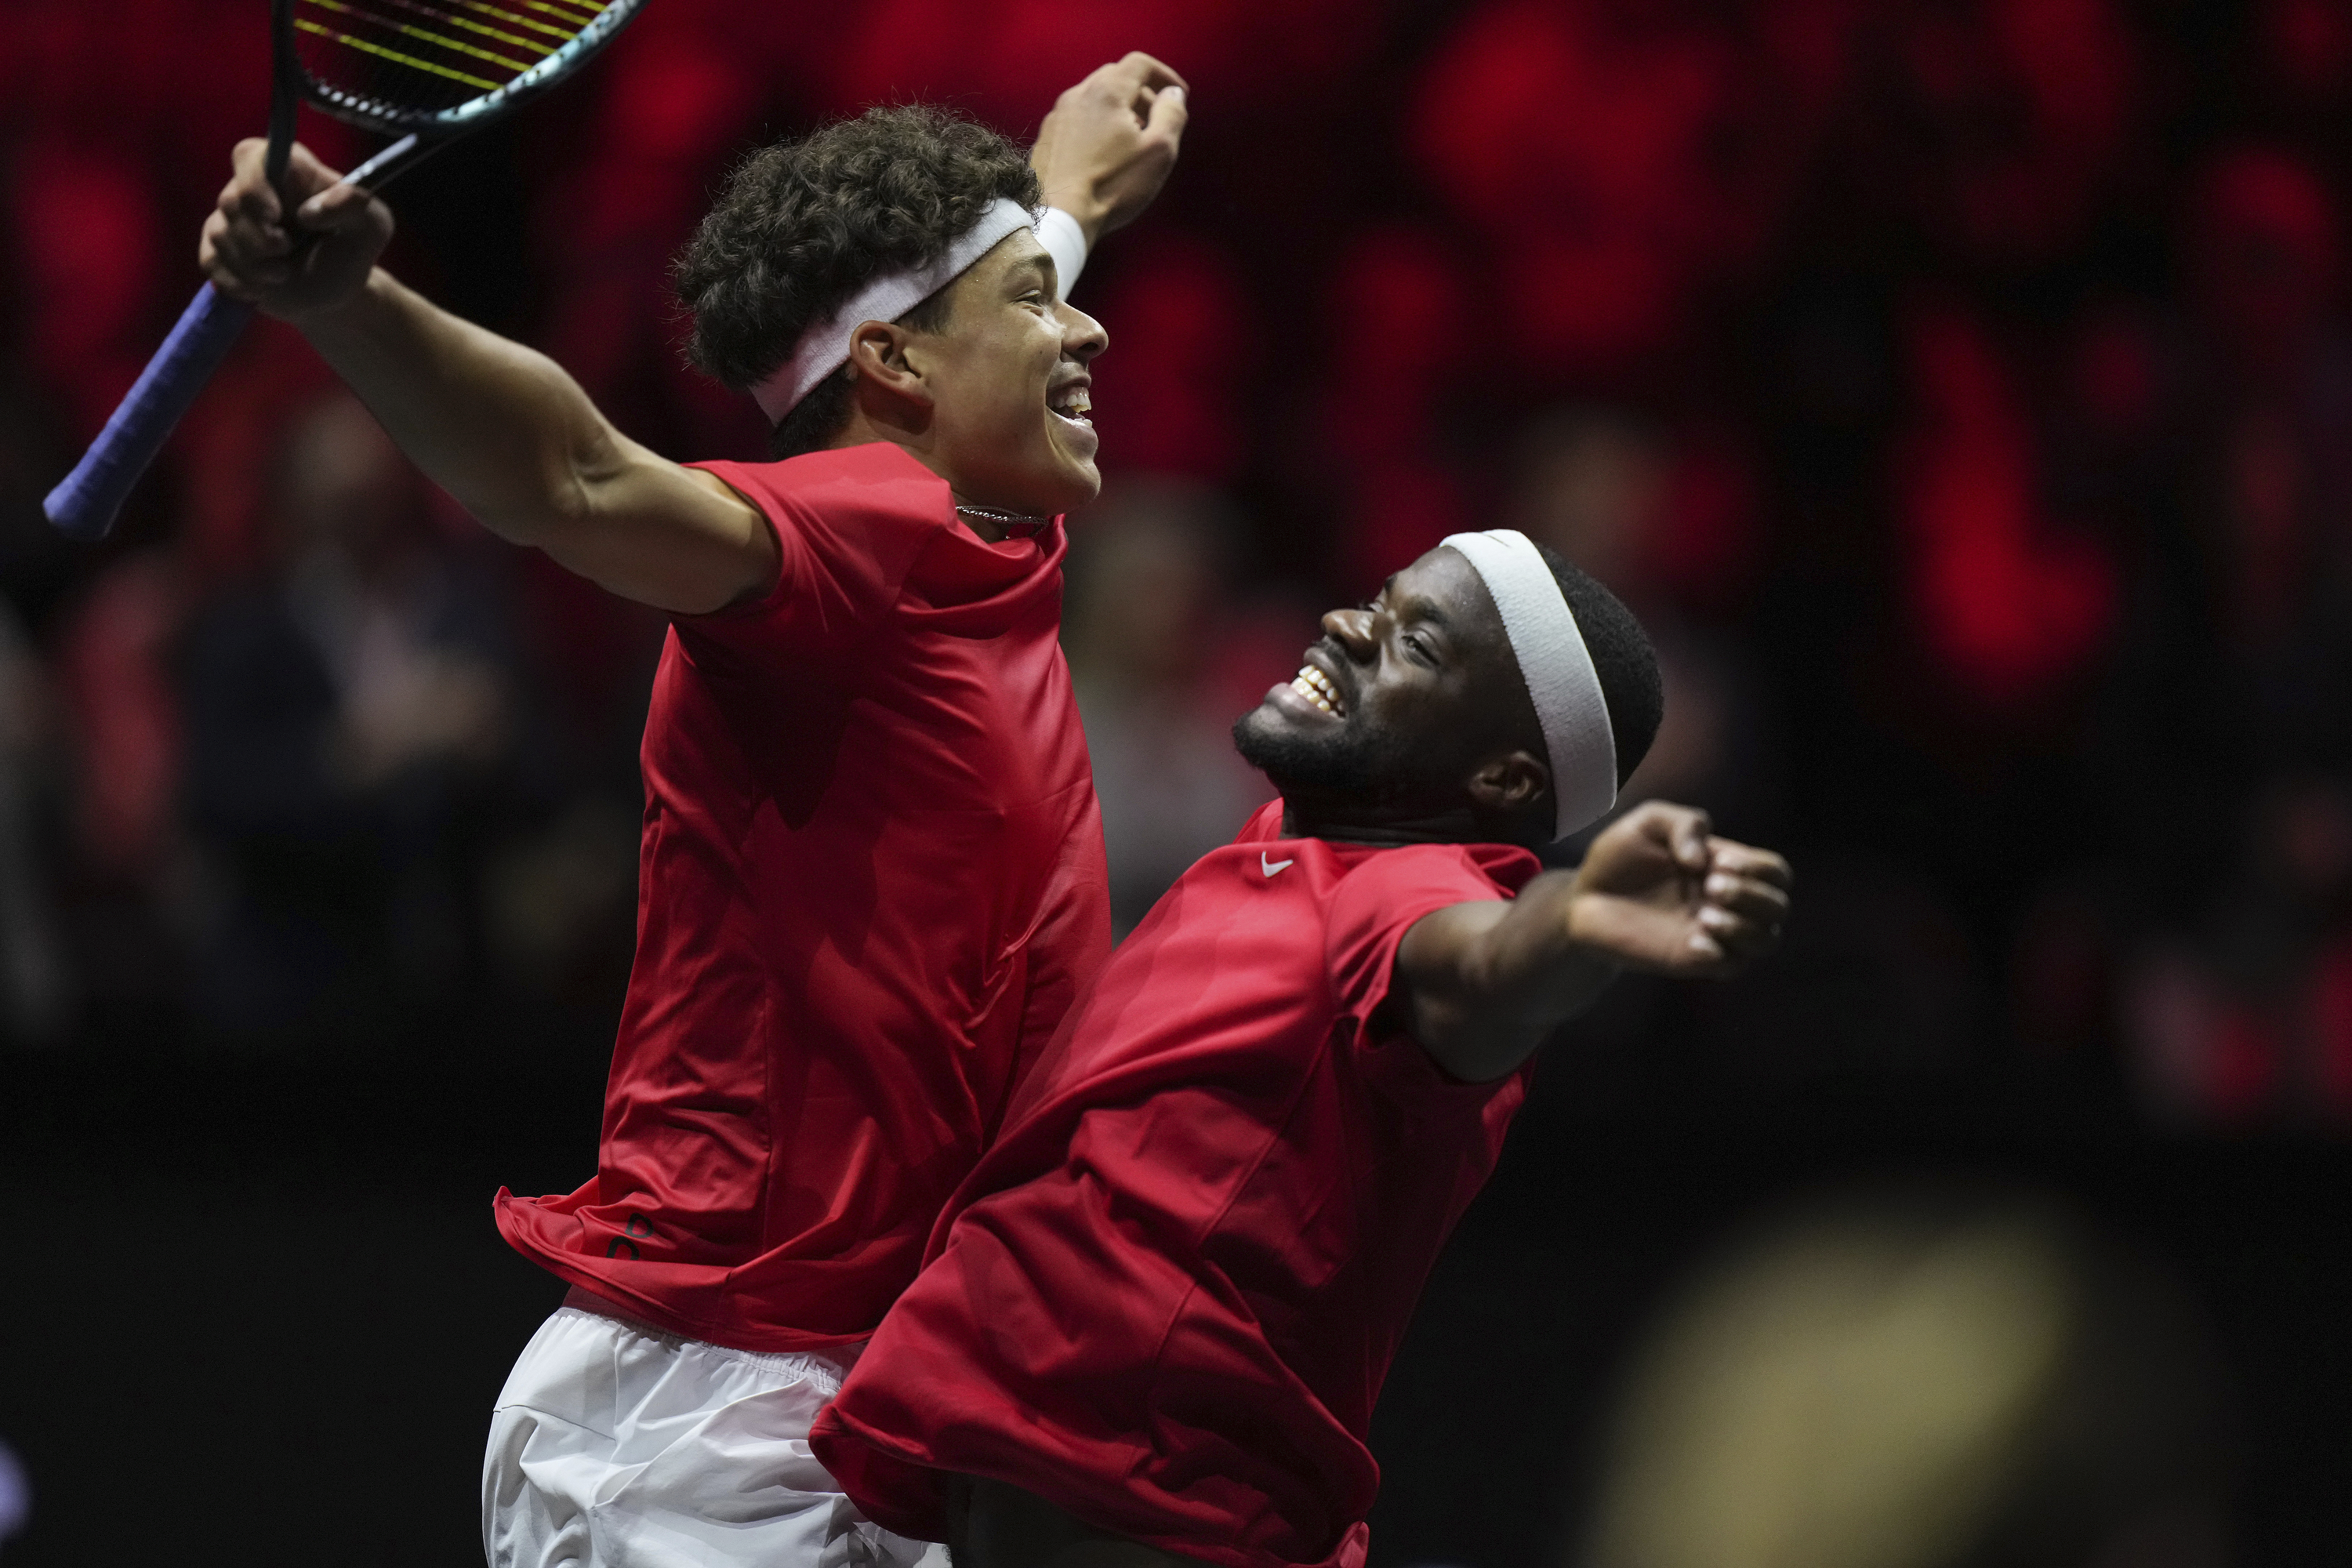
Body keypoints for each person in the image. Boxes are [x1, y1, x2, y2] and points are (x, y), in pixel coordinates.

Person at [198, 54, 1190, 1568]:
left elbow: (955, 308)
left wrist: (1061, 202)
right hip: (717, 1423)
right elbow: (575, 481)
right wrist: (353, 305)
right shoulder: (854, 544)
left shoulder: (963, 519)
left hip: (847, 1394)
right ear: (899, 374)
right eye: (1040, 302)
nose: (1086, 317)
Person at [808, 529, 1795, 1568]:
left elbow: (1485, 969)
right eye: (1380, 600)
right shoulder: (1281, 844)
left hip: (1149, 1523)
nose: (1346, 627)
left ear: (1502, 782)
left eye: (1414, 646)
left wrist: (1575, 922)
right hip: (1030, 1488)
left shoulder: (1416, 895)